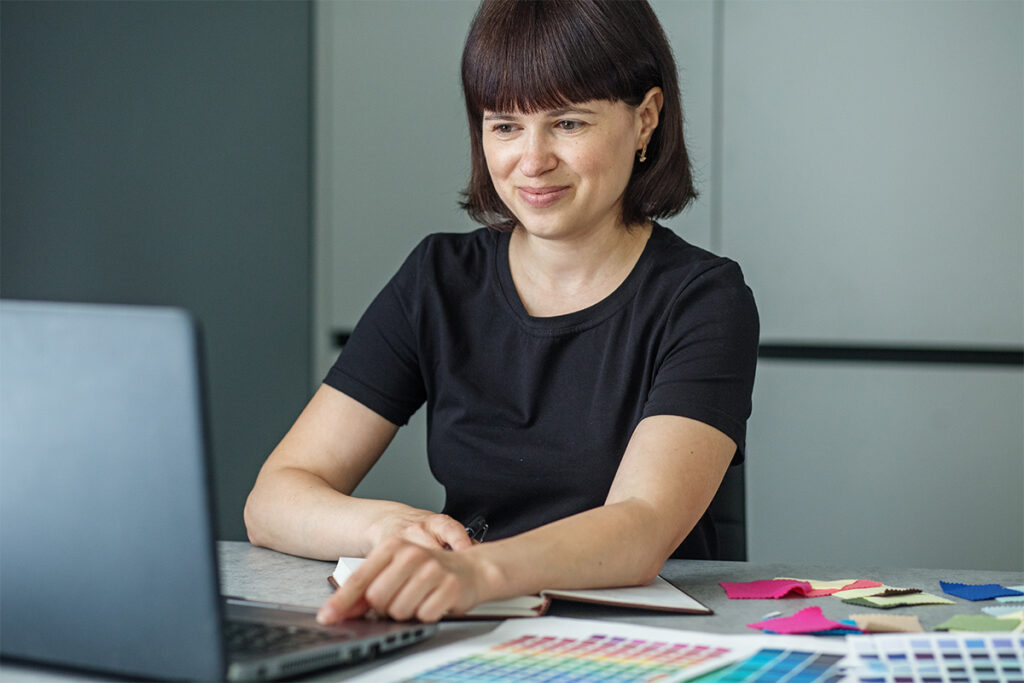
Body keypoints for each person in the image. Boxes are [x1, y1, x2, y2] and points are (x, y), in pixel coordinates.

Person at [244, 0, 758, 625]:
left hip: (632, 638)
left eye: (568, 123)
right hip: (469, 622)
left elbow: (641, 528)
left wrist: (476, 572)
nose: (531, 160)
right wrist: (393, 528)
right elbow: (273, 499)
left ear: (645, 119)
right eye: (505, 125)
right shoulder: (438, 280)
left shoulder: (704, 299)